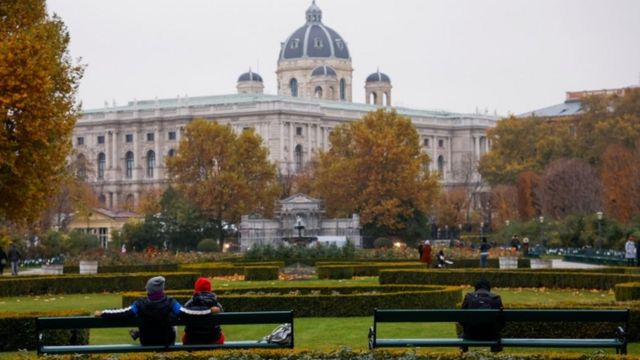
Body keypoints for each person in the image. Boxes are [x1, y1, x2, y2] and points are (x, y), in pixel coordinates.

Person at [95, 276, 218, 346]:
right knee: (173, 323)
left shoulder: (140, 303)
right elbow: (187, 313)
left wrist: (104, 312)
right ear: (162, 290)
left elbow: (124, 312)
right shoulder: (171, 302)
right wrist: (208, 311)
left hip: (147, 341)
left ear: (148, 290)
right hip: (165, 341)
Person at [460, 279, 504, 352]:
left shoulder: (469, 297)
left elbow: (461, 318)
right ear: (488, 287)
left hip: (471, 334)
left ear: (476, 287)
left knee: (463, 336)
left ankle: (463, 353)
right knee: (497, 335)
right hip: (492, 335)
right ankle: (495, 354)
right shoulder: (496, 298)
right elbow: (502, 321)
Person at [182, 277, 224, 344]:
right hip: (213, 339)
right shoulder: (217, 304)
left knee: (185, 336)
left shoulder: (189, 303)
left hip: (192, 339)